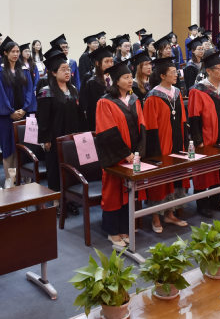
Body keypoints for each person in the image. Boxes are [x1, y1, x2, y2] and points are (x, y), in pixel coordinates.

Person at [94, 59, 146, 248]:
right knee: (113, 192)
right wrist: (125, 153)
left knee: (128, 191)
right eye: (125, 77)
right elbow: (107, 132)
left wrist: (138, 152)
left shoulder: (134, 99)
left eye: (131, 77)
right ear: (116, 81)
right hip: (115, 157)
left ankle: (125, 228)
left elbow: (142, 126)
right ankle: (112, 231)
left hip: (132, 156)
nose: (130, 80)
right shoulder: (105, 102)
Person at [188, 49, 220, 216]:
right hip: (206, 138)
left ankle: (217, 201)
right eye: (219, 68)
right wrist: (198, 140)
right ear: (208, 71)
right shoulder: (198, 90)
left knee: (219, 170)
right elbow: (194, 117)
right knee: (203, 172)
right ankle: (202, 204)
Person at [143, 57, 189, 232]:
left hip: (177, 142)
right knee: (160, 180)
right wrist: (154, 152)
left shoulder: (176, 92)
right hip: (160, 144)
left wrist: (185, 141)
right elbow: (150, 126)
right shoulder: (153, 96)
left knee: (175, 177)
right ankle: (155, 217)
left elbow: (183, 118)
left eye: (176, 72)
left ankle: (170, 213)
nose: (176, 75)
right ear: (162, 76)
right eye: (172, 72)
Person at [36, 48, 85, 193]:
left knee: (73, 166)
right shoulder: (46, 92)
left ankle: (72, 196)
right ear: (53, 73)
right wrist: (46, 139)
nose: (67, 72)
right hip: (54, 138)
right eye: (63, 69)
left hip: (72, 136)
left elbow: (79, 114)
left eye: (68, 69)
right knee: (55, 168)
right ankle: (57, 198)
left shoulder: (73, 89)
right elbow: (42, 119)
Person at [0, 37, 36, 173]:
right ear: (5, 53)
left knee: (24, 149)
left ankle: (23, 179)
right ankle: (10, 180)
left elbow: (29, 91)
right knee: (8, 150)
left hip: (24, 115)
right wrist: (10, 112)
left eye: (17, 51)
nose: (16, 54)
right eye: (13, 51)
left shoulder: (24, 71)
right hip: (7, 118)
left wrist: (24, 109)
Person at [80, 46, 114, 132]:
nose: (110, 64)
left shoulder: (115, 79)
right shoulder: (93, 83)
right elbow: (91, 109)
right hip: (101, 124)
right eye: (106, 61)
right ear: (98, 63)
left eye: (112, 61)